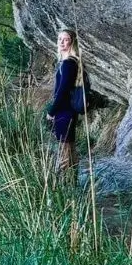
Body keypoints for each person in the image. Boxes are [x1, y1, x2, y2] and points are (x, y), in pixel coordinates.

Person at [45, 28, 82, 176]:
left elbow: (62, 91)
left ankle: (66, 183)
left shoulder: (68, 63)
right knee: (69, 146)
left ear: (72, 42)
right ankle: (72, 181)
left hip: (64, 111)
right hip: (68, 110)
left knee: (65, 148)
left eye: (65, 39)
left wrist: (51, 111)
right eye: (59, 39)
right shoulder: (67, 62)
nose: (61, 42)